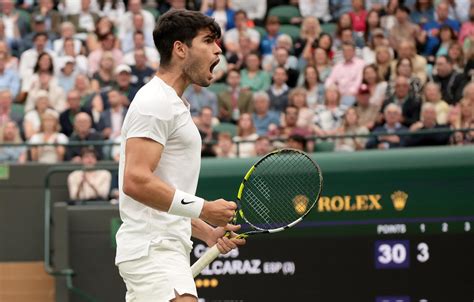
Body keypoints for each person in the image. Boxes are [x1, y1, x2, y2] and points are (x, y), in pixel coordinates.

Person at [116, 10, 245, 302]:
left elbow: (161, 196)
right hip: (153, 248)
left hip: (165, 246)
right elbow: (135, 182)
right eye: (208, 40)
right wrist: (204, 209)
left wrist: (206, 232)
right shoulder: (155, 102)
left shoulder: (173, 104)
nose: (218, 49)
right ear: (180, 48)